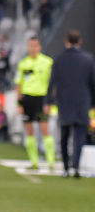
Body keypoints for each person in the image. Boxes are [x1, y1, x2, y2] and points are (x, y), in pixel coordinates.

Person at [47, 31, 95, 178]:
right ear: (79, 41)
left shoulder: (59, 59)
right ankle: (76, 166)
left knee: (64, 135)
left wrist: (48, 100)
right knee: (79, 135)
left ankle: (66, 167)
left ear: (67, 41)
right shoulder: (88, 59)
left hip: (64, 101)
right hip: (82, 102)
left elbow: (52, 83)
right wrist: (93, 102)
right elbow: (93, 83)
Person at [14, 36, 55, 170]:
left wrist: (49, 102)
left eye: (35, 46)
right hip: (27, 100)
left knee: (45, 129)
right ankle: (34, 161)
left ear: (39, 47)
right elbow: (19, 85)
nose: (32, 48)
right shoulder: (23, 64)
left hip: (41, 99)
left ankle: (50, 160)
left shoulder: (47, 62)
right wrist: (19, 103)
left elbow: (53, 84)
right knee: (29, 131)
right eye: (30, 46)